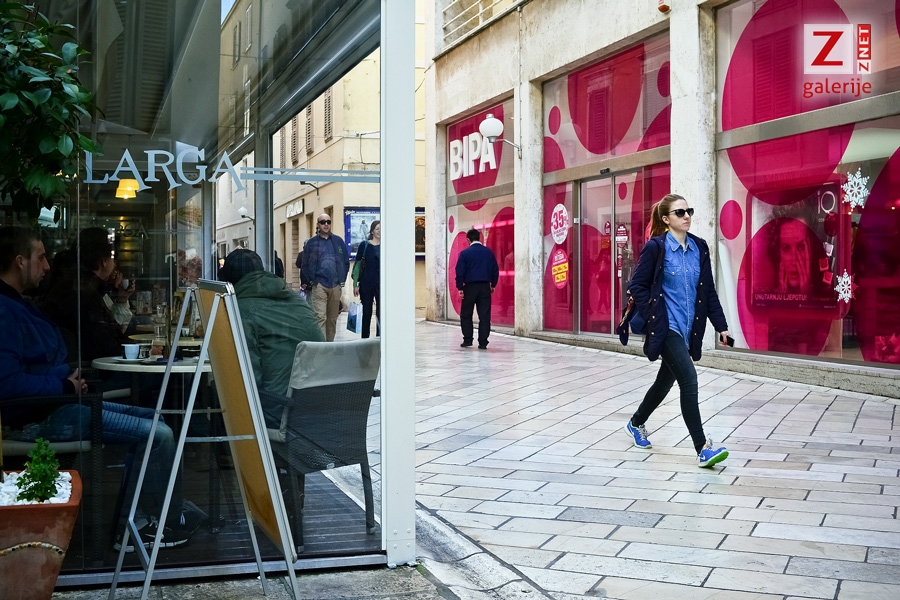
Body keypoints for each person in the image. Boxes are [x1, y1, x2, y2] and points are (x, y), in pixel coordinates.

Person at [0, 227, 199, 550]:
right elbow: (6, 384)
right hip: (36, 417)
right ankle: (139, 528)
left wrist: (65, 378)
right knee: (158, 433)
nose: (47, 265)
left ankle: (151, 516)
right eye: (41, 257)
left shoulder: (16, 305)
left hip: (56, 402)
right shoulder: (6, 311)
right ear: (20, 262)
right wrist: (63, 383)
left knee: (156, 418)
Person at [623, 194, 731, 468]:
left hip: (688, 329)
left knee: (665, 382)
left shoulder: (699, 248)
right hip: (666, 327)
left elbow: (708, 292)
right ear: (666, 219)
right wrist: (654, 314)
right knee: (689, 380)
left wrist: (721, 326)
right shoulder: (656, 248)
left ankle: (636, 422)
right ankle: (703, 448)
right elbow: (637, 286)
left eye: (688, 211)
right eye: (680, 212)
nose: (686, 216)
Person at [219, 249, 324, 427]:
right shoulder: (297, 301)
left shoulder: (241, 310)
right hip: (319, 407)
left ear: (229, 282)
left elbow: (247, 379)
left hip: (276, 412)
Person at [300, 214, 350, 341]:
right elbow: (304, 264)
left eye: (328, 221)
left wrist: (342, 279)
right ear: (318, 225)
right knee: (320, 317)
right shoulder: (312, 243)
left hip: (335, 284)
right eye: (323, 222)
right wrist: (312, 281)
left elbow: (345, 261)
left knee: (332, 318)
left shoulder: (338, 241)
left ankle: (329, 344)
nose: (326, 224)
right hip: (319, 284)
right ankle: (321, 346)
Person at [455, 228, 499, 349]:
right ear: (479, 238)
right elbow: (495, 270)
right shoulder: (489, 253)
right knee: (484, 315)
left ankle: (468, 339)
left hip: (469, 287)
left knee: (466, 313)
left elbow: (459, 272)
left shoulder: (464, 254)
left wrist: (460, 287)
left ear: (468, 240)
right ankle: (483, 342)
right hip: (485, 287)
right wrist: (493, 285)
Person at [353, 220, 381, 338]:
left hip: (381, 284)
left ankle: (380, 337)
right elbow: (358, 265)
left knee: (381, 312)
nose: (379, 231)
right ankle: (365, 338)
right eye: (377, 229)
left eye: (381, 229)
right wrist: (355, 284)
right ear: (372, 231)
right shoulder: (364, 245)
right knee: (367, 312)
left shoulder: (386, 245)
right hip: (366, 283)